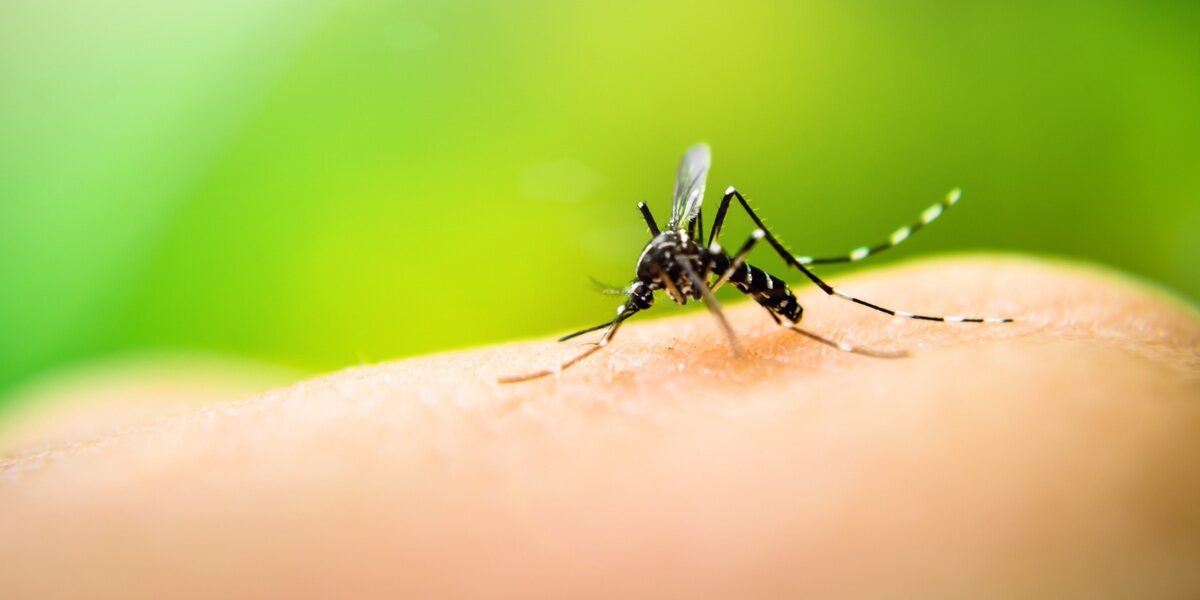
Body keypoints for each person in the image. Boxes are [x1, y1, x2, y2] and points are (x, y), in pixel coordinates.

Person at [2, 256, 1198, 598]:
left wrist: (772, 317)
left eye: (640, 297)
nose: (643, 303)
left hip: (797, 298)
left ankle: (824, 303)